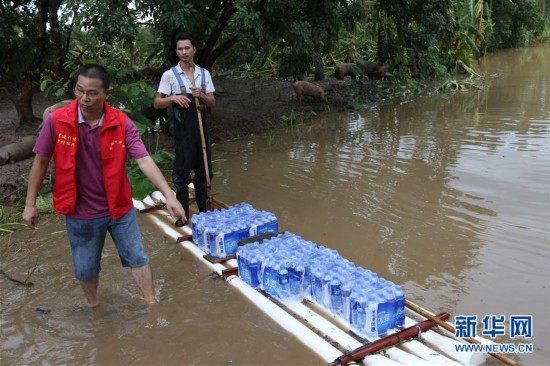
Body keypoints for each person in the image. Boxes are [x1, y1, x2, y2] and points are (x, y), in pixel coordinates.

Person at [22, 63, 186, 308]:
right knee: (86, 267)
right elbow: (41, 160)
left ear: (107, 94)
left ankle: (152, 305)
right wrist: (30, 204)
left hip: (119, 207)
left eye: (92, 93)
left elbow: (143, 159)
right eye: (79, 91)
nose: (84, 98)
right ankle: (94, 307)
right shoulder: (57, 121)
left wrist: (169, 195)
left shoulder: (122, 123)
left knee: (137, 257)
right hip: (80, 211)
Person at [154, 33, 216, 226]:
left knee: (204, 172)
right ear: (176, 51)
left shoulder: (204, 74)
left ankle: (205, 212)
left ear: (194, 49)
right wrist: (172, 98)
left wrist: (202, 96)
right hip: (182, 132)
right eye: (180, 49)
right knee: (181, 175)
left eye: (187, 48)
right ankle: (183, 215)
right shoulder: (169, 75)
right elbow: (157, 103)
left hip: (201, 131)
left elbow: (212, 102)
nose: (184, 52)